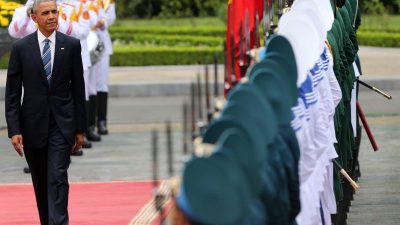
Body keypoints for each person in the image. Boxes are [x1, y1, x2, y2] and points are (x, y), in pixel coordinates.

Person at [5, 0, 86, 224]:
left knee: (58, 177)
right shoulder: (21, 48)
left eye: (54, 12)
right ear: (34, 17)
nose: (52, 16)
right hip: (32, 126)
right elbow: (12, 94)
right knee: (41, 182)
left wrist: (80, 129)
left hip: (62, 125)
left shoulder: (71, 45)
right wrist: (14, 129)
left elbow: (78, 90)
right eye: (46, 13)